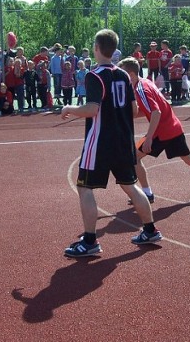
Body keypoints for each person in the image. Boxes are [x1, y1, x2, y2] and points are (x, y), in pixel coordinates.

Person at [61, 29, 163, 258]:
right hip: (123, 140)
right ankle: (149, 229)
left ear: (97, 48)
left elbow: (92, 109)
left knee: (84, 187)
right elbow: (134, 109)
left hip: (100, 142)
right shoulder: (124, 76)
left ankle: (89, 241)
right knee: (130, 185)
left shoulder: (94, 75)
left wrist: (69, 109)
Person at [119, 57, 190, 200]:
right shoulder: (146, 82)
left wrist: (149, 137)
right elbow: (148, 110)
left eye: (122, 74)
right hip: (174, 127)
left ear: (130, 75)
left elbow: (156, 112)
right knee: (189, 158)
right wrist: (128, 116)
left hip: (161, 133)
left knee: (134, 158)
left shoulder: (140, 90)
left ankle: (147, 193)